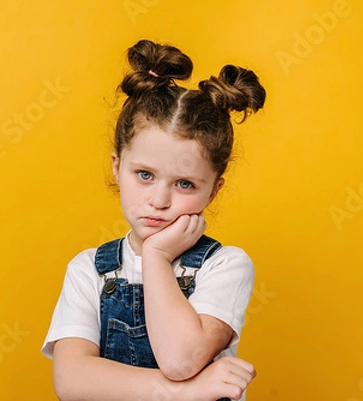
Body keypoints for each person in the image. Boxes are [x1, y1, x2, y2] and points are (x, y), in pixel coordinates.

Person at [42, 39, 266, 401]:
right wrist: (180, 393)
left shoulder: (225, 267)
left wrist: (157, 257)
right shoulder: (89, 271)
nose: (160, 201)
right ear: (117, 167)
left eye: (184, 184)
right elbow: (71, 380)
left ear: (214, 191)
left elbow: (181, 360)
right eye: (145, 174)